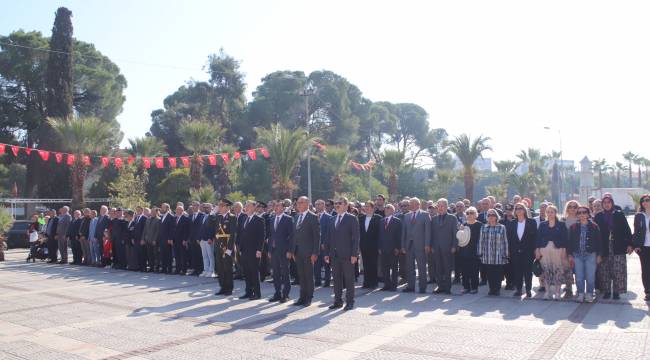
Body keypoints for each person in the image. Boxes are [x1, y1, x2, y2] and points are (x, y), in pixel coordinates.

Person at [594, 195, 633, 300]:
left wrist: (630, 244)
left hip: (618, 246)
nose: (607, 204)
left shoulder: (619, 214)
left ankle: (617, 292)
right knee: (604, 270)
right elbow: (595, 233)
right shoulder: (598, 216)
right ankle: (606, 291)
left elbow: (627, 230)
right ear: (602, 204)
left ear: (612, 203)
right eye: (604, 202)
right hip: (604, 247)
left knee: (618, 270)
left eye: (609, 202)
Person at [325, 197, 360, 311]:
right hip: (334, 255)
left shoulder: (352, 218)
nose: (337, 205)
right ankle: (337, 301)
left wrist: (354, 254)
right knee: (336, 279)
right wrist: (326, 253)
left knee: (349, 279)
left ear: (346, 205)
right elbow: (328, 238)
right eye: (335, 203)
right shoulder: (332, 219)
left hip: (348, 255)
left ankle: (350, 302)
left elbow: (356, 238)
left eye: (339, 203)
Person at [568, 206, 602, 303]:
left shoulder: (594, 226)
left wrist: (599, 255)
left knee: (590, 276)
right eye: (579, 213)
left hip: (590, 255)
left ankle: (590, 293)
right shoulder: (573, 227)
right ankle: (581, 293)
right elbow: (569, 242)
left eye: (584, 212)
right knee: (579, 277)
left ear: (588, 214)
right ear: (577, 215)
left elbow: (599, 242)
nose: (582, 215)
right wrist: (570, 255)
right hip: (577, 255)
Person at [292, 196, 320, 306]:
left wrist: (315, 253)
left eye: (301, 202)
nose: (298, 204)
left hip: (308, 252)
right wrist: (293, 251)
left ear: (307, 204)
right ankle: (302, 296)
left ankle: (309, 297)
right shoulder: (296, 216)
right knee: (301, 275)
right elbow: (294, 235)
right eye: (297, 203)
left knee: (308, 275)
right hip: (298, 252)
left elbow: (316, 237)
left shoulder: (313, 217)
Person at [536, 205, 568, 300]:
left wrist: (564, 251)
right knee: (546, 271)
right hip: (544, 250)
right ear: (546, 213)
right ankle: (547, 292)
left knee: (557, 270)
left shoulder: (561, 224)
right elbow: (538, 238)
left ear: (555, 213)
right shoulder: (542, 224)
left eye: (552, 212)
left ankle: (557, 293)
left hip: (557, 250)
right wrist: (537, 250)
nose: (550, 214)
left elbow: (564, 239)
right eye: (548, 212)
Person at [401, 197, 431, 294]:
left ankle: (422, 287)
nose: (411, 205)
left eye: (413, 204)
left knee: (422, 267)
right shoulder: (406, 216)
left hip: (421, 245)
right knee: (409, 267)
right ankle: (410, 286)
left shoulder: (425, 215)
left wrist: (427, 244)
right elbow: (404, 232)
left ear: (418, 205)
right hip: (409, 245)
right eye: (410, 204)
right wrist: (403, 246)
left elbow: (428, 231)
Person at [506, 203, 538, 298]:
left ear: (524, 210)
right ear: (514, 211)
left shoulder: (531, 222)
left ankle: (528, 290)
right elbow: (509, 238)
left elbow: (535, 237)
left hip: (528, 251)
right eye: (517, 208)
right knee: (517, 271)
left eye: (521, 208)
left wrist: (536, 249)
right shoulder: (512, 223)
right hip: (515, 251)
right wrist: (509, 250)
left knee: (528, 272)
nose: (519, 210)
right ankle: (519, 289)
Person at [237, 200, 266, 300]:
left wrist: (259, 250)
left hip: (254, 251)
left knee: (254, 272)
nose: (246, 207)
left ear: (254, 207)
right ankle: (248, 292)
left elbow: (261, 236)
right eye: (245, 205)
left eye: (248, 206)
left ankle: (257, 293)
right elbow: (241, 234)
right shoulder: (244, 219)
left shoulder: (259, 220)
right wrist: (239, 248)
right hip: (244, 250)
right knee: (247, 272)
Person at [430, 198, 458, 295]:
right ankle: (440, 286)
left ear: (446, 207)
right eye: (439, 206)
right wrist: (432, 246)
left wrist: (454, 245)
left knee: (447, 268)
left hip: (448, 247)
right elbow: (432, 234)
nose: (440, 208)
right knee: (438, 268)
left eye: (442, 206)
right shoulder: (433, 219)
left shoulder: (452, 218)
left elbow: (455, 233)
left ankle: (447, 288)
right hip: (436, 247)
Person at [477, 209, 508, 296]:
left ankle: (497, 289)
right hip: (487, 255)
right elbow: (480, 241)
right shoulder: (484, 227)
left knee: (498, 273)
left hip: (498, 255)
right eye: (489, 215)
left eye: (493, 215)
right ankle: (491, 289)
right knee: (490, 273)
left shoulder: (502, 227)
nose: (491, 217)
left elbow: (505, 241)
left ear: (496, 217)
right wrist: (479, 252)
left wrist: (506, 253)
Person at [268, 201, 294, 303]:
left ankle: (286, 294)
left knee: (285, 272)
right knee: (275, 273)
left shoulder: (288, 219)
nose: (275, 207)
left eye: (278, 206)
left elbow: (292, 236)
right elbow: (271, 235)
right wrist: (269, 249)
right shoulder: (272, 218)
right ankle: (277, 293)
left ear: (283, 208)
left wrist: (290, 250)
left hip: (284, 250)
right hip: (274, 250)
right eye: (275, 206)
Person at [215, 199, 237, 296]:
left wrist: (230, 248)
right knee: (220, 268)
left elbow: (233, 234)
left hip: (227, 246)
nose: (219, 207)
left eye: (222, 205)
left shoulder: (232, 217)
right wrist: (212, 212)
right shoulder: (218, 217)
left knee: (227, 268)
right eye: (219, 205)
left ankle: (229, 288)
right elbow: (209, 225)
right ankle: (222, 287)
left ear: (227, 207)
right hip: (219, 245)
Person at [458, 207, 482, 294]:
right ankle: (466, 287)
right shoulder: (463, 225)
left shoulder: (480, 225)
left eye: (471, 213)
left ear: (476, 214)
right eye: (467, 213)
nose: (469, 215)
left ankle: (474, 287)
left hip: (475, 252)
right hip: (464, 251)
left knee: (474, 271)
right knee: (464, 271)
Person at [379, 204, 402, 291]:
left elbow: (399, 235)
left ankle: (394, 285)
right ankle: (386, 284)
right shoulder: (381, 221)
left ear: (393, 210)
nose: (386, 210)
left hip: (393, 249)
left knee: (394, 268)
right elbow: (380, 235)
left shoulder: (397, 221)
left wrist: (397, 247)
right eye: (385, 208)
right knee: (385, 267)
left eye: (388, 208)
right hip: (384, 248)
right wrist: (379, 247)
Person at [359, 201, 381, 289]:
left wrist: (379, 246)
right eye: (365, 206)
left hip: (374, 245)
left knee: (373, 264)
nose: (366, 208)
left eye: (368, 206)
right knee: (365, 264)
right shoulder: (361, 218)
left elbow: (380, 233)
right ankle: (366, 282)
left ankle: (374, 282)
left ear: (372, 208)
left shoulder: (378, 218)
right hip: (364, 245)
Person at [561, 200, 580, 298]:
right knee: (567, 269)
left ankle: (579, 290)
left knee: (578, 270)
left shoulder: (581, 219)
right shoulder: (562, 220)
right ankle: (568, 289)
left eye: (574, 207)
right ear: (567, 208)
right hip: (565, 248)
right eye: (570, 207)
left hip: (578, 249)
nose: (572, 209)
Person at [633, 194, 650, 301]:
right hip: (643, 247)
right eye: (643, 201)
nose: (645, 202)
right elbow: (636, 232)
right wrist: (636, 246)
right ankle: (648, 291)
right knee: (646, 269)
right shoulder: (639, 215)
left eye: (647, 200)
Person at [314, 199, 332, 287]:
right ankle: (317, 280)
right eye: (316, 205)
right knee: (316, 263)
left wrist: (325, 243)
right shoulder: (313, 216)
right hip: (315, 245)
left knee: (326, 263)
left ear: (323, 205)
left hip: (324, 244)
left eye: (319, 205)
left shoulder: (328, 217)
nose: (317, 207)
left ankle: (327, 281)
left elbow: (329, 232)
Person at [199, 203, 217, 277]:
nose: (206, 208)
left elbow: (212, 228)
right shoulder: (203, 216)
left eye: (207, 207)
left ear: (211, 208)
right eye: (205, 207)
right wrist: (199, 238)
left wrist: (211, 237)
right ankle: (206, 270)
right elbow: (200, 228)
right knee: (204, 255)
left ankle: (211, 270)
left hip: (208, 239)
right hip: (202, 239)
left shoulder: (213, 216)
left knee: (210, 255)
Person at [187, 202, 205, 276]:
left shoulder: (202, 215)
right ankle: (195, 269)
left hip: (199, 239)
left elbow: (202, 228)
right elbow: (189, 229)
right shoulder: (190, 216)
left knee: (199, 254)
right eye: (192, 206)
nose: (193, 207)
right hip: (192, 239)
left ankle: (200, 269)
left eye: (195, 206)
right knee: (193, 254)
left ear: (198, 206)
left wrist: (199, 237)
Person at [172, 205, 190, 275]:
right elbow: (173, 229)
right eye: (176, 209)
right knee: (177, 256)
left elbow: (186, 230)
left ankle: (184, 270)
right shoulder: (174, 218)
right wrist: (171, 238)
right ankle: (177, 269)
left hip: (182, 240)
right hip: (175, 240)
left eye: (179, 210)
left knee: (183, 256)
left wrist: (185, 240)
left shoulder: (185, 219)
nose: (177, 211)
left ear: (182, 211)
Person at [158, 204, 176, 274]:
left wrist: (170, 238)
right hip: (162, 239)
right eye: (161, 207)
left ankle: (169, 269)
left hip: (168, 239)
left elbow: (172, 229)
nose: (161, 209)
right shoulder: (162, 217)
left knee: (169, 255)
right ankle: (164, 268)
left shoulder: (171, 217)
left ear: (167, 208)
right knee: (163, 254)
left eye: (163, 207)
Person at [143, 207, 161, 272]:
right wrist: (143, 239)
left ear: (156, 212)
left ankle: (157, 268)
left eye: (154, 212)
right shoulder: (148, 219)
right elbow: (145, 230)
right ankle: (151, 267)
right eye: (151, 212)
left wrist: (155, 240)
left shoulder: (158, 220)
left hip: (154, 241)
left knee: (156, 255)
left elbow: (158, 231)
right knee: (150, 255)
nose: (152, 213)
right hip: (148, 240)